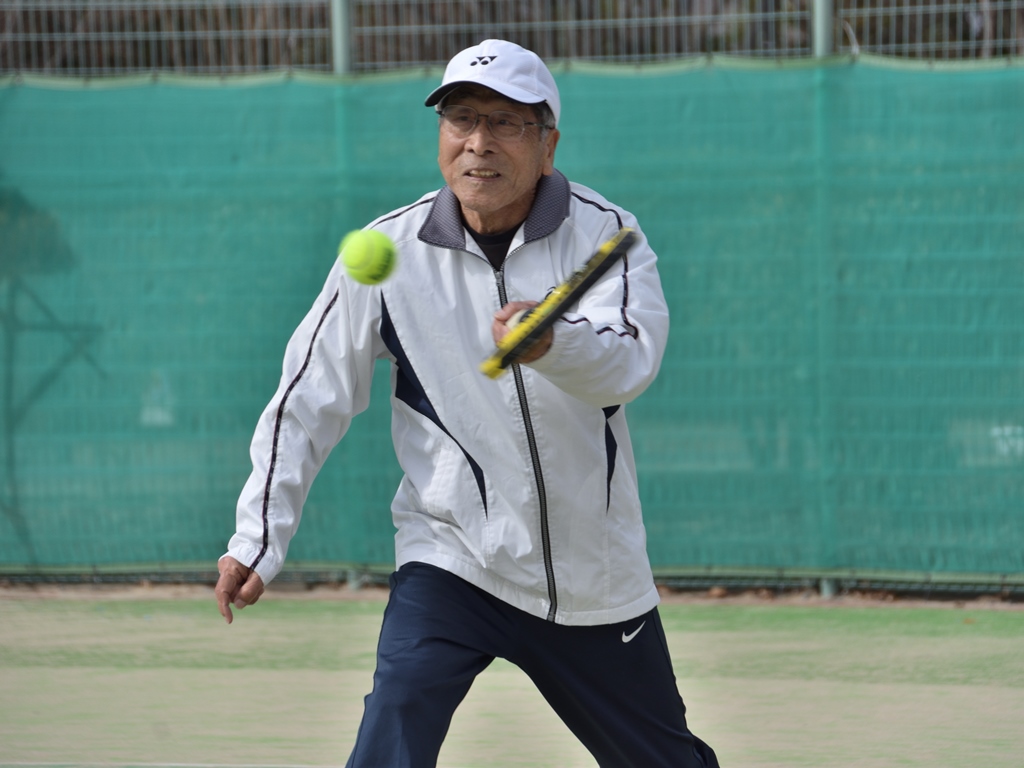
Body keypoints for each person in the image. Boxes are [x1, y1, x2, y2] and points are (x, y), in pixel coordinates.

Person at [215, 39, 720, 768]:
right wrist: (256, 539)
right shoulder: (386, 254)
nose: (478, 142)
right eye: (460, 119)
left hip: (592, 577)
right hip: (452, 559)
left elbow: (628, 364)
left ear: (548, 146)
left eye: (505, 122)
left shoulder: (606, 237)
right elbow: (307, 398)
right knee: (395, 720)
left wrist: (552, 343)